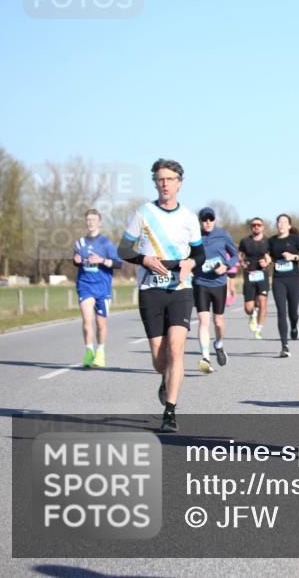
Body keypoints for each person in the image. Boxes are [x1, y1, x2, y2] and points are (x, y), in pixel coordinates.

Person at [118, 159, 205, 433]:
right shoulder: (143, 213)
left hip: (179, 290)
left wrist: (191, 263)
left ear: (179, 183)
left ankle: (170, 411)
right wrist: (143, 259)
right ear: (155, 182)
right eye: (160, 179)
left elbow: (199, 253)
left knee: (176, 349)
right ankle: (165, 378)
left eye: (169, 179)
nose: (164, 183)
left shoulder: (189, 217)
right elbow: (122, 250)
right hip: (150, 291)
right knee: (160, 360)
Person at [73, 208, 122, 368]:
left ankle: (100, 351)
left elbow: (118, 263)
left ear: (99, 223)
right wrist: (76, 260)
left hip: (102, 287)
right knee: (87, 319)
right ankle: (89, 352)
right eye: (88, 220)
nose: (90, 222)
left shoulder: (106, 243)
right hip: (85, 285)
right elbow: (76, 259)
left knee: (100, 323)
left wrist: (102, 260)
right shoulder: (79, 243)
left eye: (93, 219)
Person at [193, 207, 239, 373]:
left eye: (210, 219)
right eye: (205, 219)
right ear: (201, 221)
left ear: (214, 220)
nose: (208, 222)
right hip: (200, 283)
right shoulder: (194, 236)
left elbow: (235, 256)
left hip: (219, 283)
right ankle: (205, 358)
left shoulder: (223, 235)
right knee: (203, 321)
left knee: (218, 322)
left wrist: (226, 266)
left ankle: (218, 344)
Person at [269, 213, 299, 358]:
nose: (281, 224)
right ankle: (284, 345)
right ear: (277, 224)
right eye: (279, 222)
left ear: (289, 225)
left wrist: (294, 257)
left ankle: (294, 326)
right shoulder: (271, 241)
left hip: (293, 280)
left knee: (293, 312)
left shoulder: (295, 239)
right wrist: (266, 259)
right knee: (281, 311)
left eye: (284, 222)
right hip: (278, 280)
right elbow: (268, 256)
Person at [238, 217, 271, 340]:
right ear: (251, 227)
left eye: (259, 225)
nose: (256, 227)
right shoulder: (245, 241)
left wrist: (267, 262)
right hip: (249, 275)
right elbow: (240, 255)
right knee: (248, 308)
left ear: (263, 227)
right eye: (253, 225)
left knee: (262, 301)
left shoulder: (268, 241)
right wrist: (241, 262)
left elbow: (270, 257)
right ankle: (252, 315)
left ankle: (259, 329)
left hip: (262, 275)